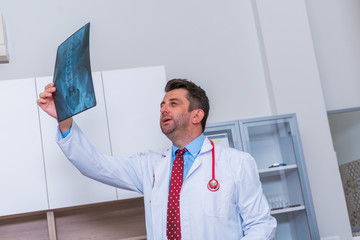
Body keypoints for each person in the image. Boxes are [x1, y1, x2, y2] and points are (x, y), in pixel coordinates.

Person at [37, 79, 276, 239]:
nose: (163, 109)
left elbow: (261, 224)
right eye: (162, 105)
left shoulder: (236, 163)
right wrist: (64, 121)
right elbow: (96, 165)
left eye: (173, 103)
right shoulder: (150, 166)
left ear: (197, 115)